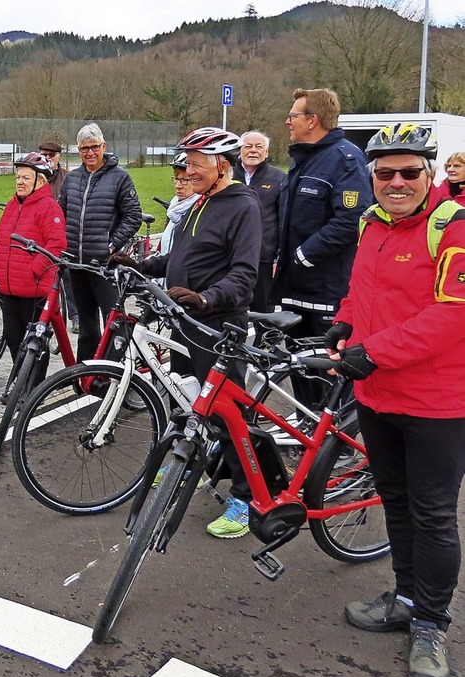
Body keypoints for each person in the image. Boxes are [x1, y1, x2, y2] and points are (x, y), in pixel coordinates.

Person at [325, 123, 465, 677]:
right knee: (397, 505)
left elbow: (452, 314)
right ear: (373, 179)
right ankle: (406, 597)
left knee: (433, 516)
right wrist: (344, 321)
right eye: (385, 173)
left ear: (429, 174)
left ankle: (431, 625)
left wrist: (371, 352)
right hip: (378, 396)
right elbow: (364, 291)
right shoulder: (370, 224)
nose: (397, 182)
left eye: (410, 171)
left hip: (437, 402)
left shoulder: (452, 228)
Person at [110, 127, 262, 539]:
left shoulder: (242, 206)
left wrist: (206, 299)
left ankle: (247, 499)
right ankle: (186, 459)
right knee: (185, 397)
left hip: (217, 326)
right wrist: (143, 265)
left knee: (231, 418)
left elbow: (245, 275)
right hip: (185, 321)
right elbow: (181, 257)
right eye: (187, 163)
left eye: (196, 164)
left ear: (222, 166)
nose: (188, 170)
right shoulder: (202, 202)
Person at [272, 88, 372, 335]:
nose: (288, 121)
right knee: (295, 367)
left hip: (325, 294)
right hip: (293, 290)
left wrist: (303, 255)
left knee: (321, 370)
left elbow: (351, 221)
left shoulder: (345, 159)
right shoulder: (302, 159)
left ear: (312, 120)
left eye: (293, 115)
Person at [59, 122, 142, 360]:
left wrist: (112, 244)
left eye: (94, 147)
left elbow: (133, 216)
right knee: (86, 324)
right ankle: (86, 373)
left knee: (114, 320)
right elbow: (60, 212)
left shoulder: (120, 178)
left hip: (104, 265)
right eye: (84, 148)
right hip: (77, 264)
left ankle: (116, 369)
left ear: (103, 146)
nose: (90, 153)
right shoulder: (72, 179)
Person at [0, 152, 66, 388]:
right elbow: (3, 239)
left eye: (25, 177)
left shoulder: (48, 207)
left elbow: (56, 245)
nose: (20, 182)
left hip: (34, 288)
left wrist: (35, 270)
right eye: (18, 177)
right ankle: (21, 377)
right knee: (12, 336)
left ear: (41, 181)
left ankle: (34, 385)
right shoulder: (13, 205)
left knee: (35, 339)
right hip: (9, 286)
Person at [232, 130, 285, 312]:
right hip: (229, 258)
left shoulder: (279, 179)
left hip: (263, 258)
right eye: (248, 146)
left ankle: (263, 342)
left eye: (258, 147)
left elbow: (283, 221)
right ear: (240, 150)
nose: (253, 151)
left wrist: (278, 256)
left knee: (263, 313)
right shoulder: (227, 176)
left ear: (266, 152)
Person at [39, 139, 78, 333]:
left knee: (68, 276)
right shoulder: (37, 178)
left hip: (62, 233)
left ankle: (75, 316)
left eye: (51, 156)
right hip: (40, 235)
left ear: (58, 157)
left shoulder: (67, 178)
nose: (48, 159)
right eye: (44, 155)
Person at [158, 152, 200, 257]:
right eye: (176, 179)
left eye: (184, 180)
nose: (178, 186)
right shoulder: (175, 207)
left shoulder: (199, 210)